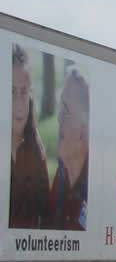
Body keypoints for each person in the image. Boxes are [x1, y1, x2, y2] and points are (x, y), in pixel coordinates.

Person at [9, 44, 50, 229]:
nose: (18, 103)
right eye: (11, 92)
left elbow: (45, 215)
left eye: (23, 92)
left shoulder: (35, 150)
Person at [46, 70, 89, 230]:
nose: (59, 117)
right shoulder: (61, 177)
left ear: (84, 131)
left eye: (67, 110)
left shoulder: (95, 192)